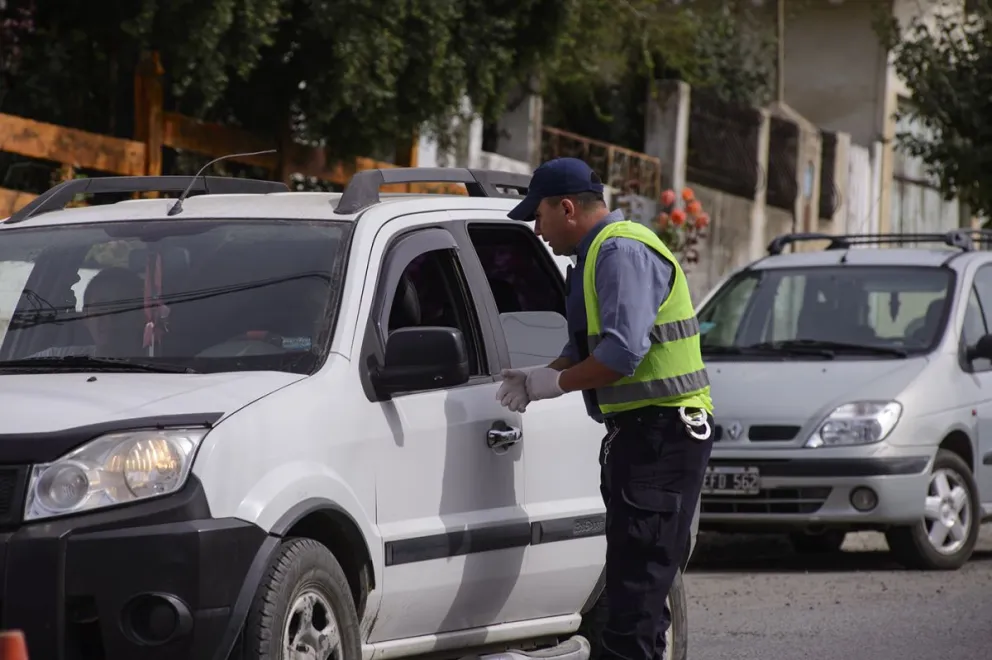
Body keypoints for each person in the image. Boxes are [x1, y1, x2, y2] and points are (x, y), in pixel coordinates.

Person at [496, 158, 714, 660]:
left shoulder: (620, 252)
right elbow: (589, 345)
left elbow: (619, 354)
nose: (537, 229)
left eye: (540, 216)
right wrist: (540, 374)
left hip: (663, 435)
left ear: (567, 208)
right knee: (634, 601)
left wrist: (556, 383)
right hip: (645, 436)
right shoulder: (594, 257)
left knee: (631, 612)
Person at [28, 267, 145, 358]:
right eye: (101, 306)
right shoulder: (54, 361)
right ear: (85, 316)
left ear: (142, 316)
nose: (109, 317)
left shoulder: (159, 370)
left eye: (121, 307)